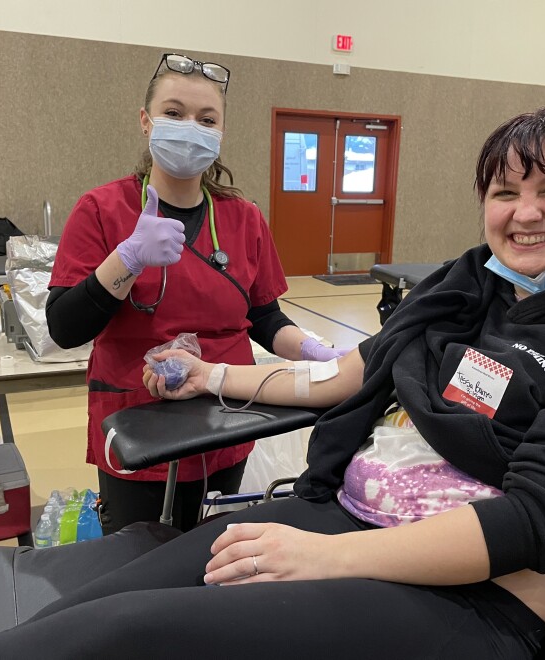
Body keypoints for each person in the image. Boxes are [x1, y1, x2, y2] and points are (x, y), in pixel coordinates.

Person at [0, 107, 545, 659]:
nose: (526, 212)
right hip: (343, 511)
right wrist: (212, 373)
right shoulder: (465, 288)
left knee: (131, 636)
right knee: (90, 607)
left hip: (473, 594)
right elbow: (344, 378)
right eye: (505, 192)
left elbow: (539, 519)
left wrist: (322, 557)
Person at [44, 52, 346, 533]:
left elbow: (266, 319)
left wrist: (319, 352)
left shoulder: (243, 218)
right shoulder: (101, 210)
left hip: (226, 416)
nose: (190, 128)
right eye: (174, 113)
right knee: (139, 566)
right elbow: (64, 327)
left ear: (221, 133)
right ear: (146, 122)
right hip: (137, 426)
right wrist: (127, 258)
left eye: (207, 119)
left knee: (210, 556)